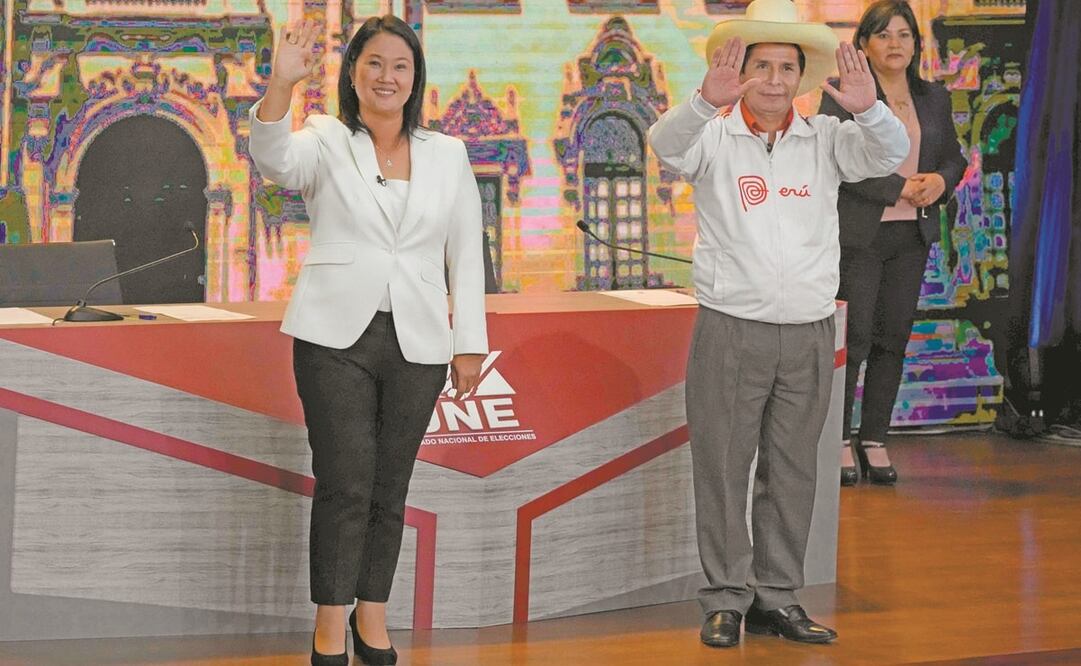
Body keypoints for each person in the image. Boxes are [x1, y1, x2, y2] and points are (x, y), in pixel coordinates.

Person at [648, 0, 909, 648]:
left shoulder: (824, 138)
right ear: (737, 72)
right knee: (723, 468)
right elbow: (663, 145)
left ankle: (776, 597)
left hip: (809, 331)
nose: (770, 79)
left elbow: (889, 153)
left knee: (792, 472)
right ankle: (725, 599)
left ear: (800, 76)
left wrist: (867, 106)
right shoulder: (712, 133)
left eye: (783, 67)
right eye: (758, 65)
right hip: (730, 328)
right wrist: (703, 101)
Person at [247, 15, 488, 666]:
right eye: (373, 63)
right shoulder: (326, 138)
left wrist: (468, 342)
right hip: (334, 337)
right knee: (345, 481)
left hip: (418, 344)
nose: (387, 76)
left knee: (390, 488)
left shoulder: (449, 154)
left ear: (416, 79)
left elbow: (466, 254)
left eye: (400, 66)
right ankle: (330, 623)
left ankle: (373, 617)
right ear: (353, 73)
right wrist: (280, 87)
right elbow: (273, 162)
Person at [819, 0, 967, 486]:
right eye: (884, 35)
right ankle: (838, 439)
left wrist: (941, 183)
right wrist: (896, 188)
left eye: (904, 35)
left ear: (916, 44)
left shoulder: (934, 97)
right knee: (854, 341)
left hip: (912, 234)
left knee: (892, 339)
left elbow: (954, 158)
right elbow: (835, 163)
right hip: (861, 235)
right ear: (863, 44)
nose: (895, 44)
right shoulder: (843, 93)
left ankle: (875, 437)